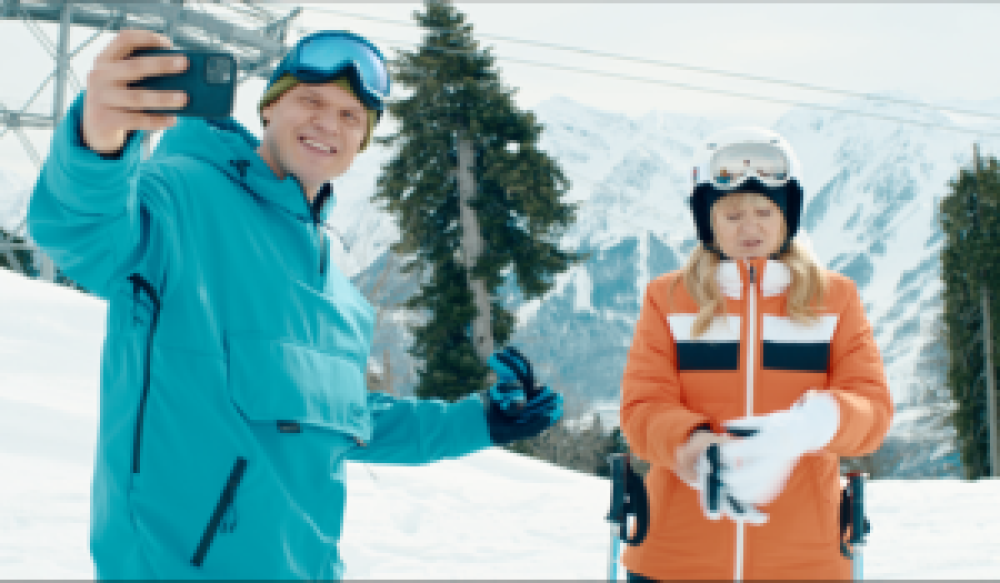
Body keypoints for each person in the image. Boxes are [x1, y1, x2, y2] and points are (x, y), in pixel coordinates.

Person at [27, 29, 562, 579]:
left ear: (361, 142)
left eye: (351, 116)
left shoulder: (341, 298)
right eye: (311, 100)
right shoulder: (184, 198)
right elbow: (85, 232)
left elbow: (342, 422)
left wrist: (481, 421)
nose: (329, 123)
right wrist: (99, 139)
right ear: (269, 108)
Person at [619, 127, 893, 580]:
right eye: (732, 215)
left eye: (765, 211)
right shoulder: (668, 299)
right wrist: (692, 446)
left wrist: (814, 423)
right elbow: (642, 408)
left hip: (806, 564)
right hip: (674, 559)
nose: (750, 228)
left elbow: (873, 413)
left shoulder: (834, 299)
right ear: (707, 220)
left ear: (788, 216)